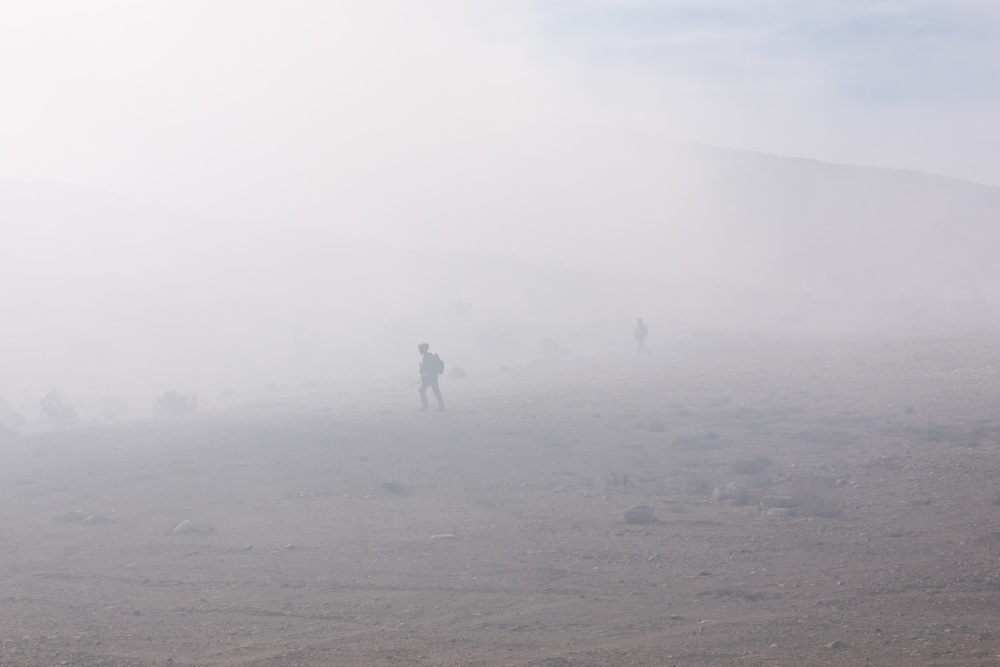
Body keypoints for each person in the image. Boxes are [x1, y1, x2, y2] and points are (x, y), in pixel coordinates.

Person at [417, 343, 445, 411]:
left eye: (421, 349)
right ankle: (438, 406)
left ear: (424, 349)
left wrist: (424, 375)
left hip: (431, 377)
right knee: (435, 391)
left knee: (426, 390)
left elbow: (429, 368)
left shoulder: (429, 357)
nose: (419, 350)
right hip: (430, 377)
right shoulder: (425, 357)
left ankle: (428, 406)